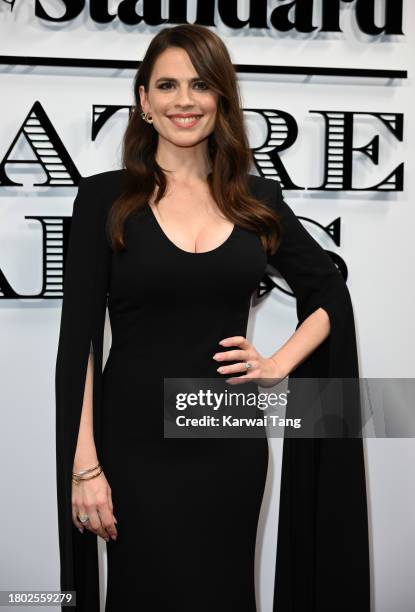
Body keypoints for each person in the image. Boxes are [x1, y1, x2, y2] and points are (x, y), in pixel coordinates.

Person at [55, 24, 370, 612]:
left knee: (225, 592)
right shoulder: (103, 199)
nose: (184, 100)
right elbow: (79, 345)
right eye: (167, 85)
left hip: (227, 438)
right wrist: (85, 467)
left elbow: (329, 295)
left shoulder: (255, 199)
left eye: (201, 84)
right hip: (131, 448)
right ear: (143, 101)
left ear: (221, 98)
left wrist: (277, 364)